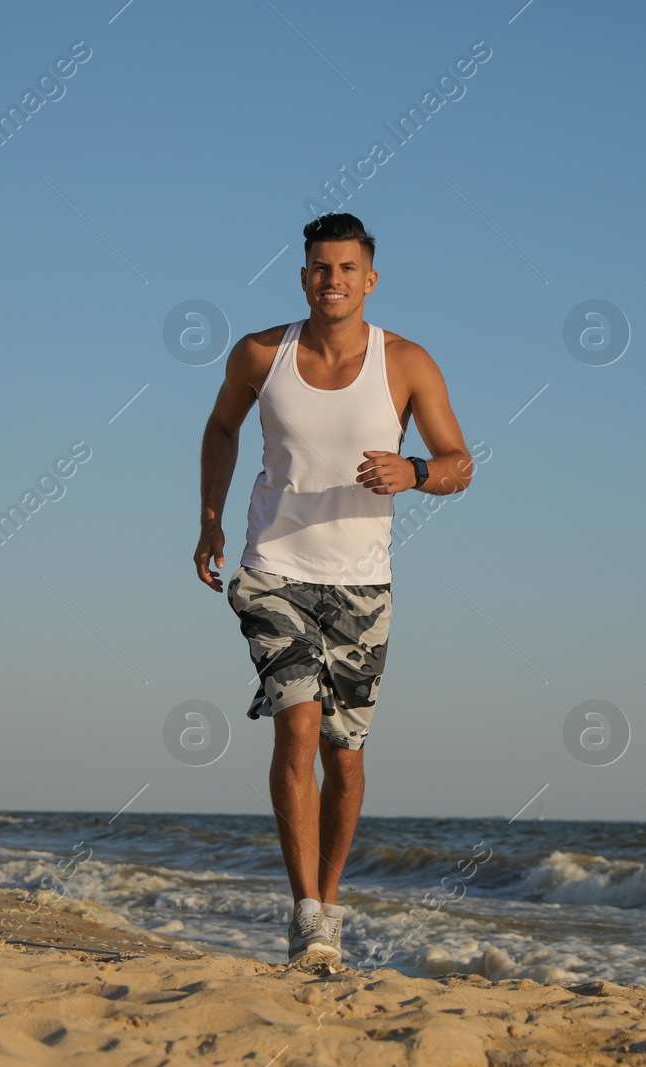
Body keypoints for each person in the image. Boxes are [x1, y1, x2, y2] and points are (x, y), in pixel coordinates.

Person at [194, 213, 474, 967]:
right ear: (304, 276)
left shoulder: (407, 362)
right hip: (273, 568)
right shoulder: (262, 353)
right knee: (298, 725)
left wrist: (413, 472)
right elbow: (221, 429)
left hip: (362, 583)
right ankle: (307, 913)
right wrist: (211, 519)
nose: (333, 280)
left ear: (369, 278)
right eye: (321, 268)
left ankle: (333, 896)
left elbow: (458, 462)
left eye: (347, 269)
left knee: (345, 757)